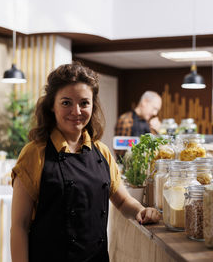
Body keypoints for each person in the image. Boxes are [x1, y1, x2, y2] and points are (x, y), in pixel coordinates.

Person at [10, 62, 161, 262]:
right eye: (66, 103)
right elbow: (19, 226)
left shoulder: (102, 152)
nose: (76, 111)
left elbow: (123, 201)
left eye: (84, 103)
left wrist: (141, 210)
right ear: (52, 106)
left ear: (92, 105)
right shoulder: (34, 154)